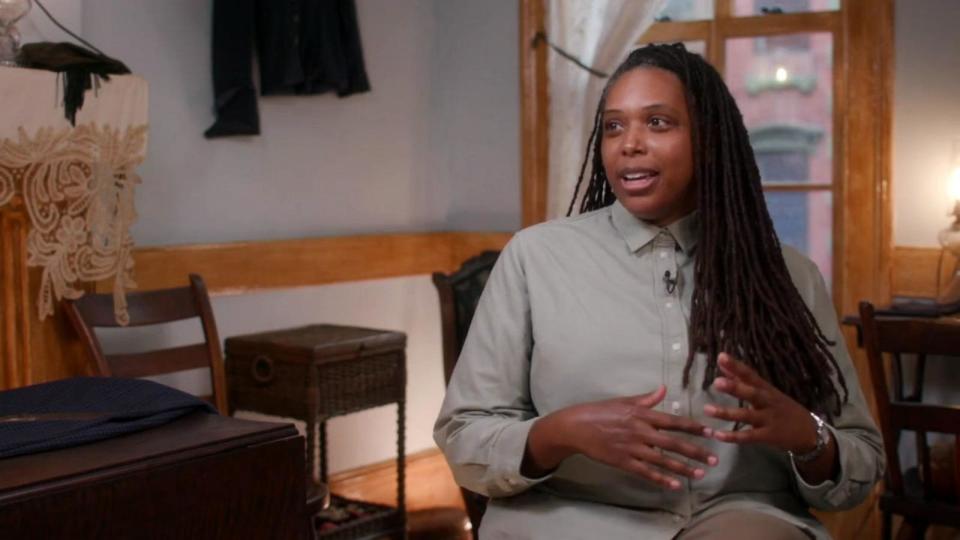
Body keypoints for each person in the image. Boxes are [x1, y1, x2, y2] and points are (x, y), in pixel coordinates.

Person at [434, 43, 883, 540]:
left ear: (709, 139)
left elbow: (861, 461)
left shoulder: (790, 276)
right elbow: (463, 434)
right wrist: (562, 432)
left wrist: (808, 436)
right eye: (614, 125)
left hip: (736, 518)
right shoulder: (535, 258)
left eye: (658, 122)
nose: (630, 143)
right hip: (566, 519)